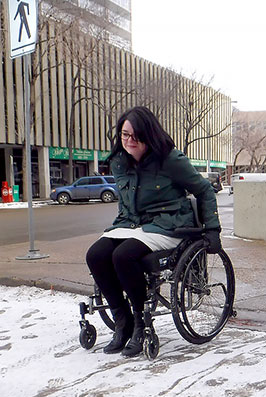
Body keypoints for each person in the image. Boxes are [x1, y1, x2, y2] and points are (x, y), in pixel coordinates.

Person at [86, 106, 222, 356]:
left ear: (149, 135)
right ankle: (122, 321)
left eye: (135, 137)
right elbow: (126, 202)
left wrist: (213, 229)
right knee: (95, 254)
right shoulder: (119, 161)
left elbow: (204, 190)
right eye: (124, 135)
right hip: (131, 224)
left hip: (167, 224)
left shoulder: (170, 159)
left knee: (123, 256)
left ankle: (140, 322)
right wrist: (120, 225)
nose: (128, 142)